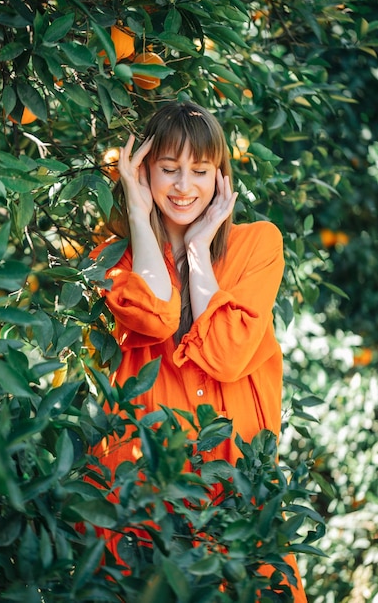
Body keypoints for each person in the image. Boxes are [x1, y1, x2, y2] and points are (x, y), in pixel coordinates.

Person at [89, 100, 307, 601]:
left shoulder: (259, 244)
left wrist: (198, 251)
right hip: (148, 477)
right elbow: (157, 314)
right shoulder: (116, 257)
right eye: (168, 170)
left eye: (200, 171)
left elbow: (228, 354)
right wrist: (140, 216)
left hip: (236, 477)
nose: (184, 186)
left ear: (221, 178)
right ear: (145, 173)